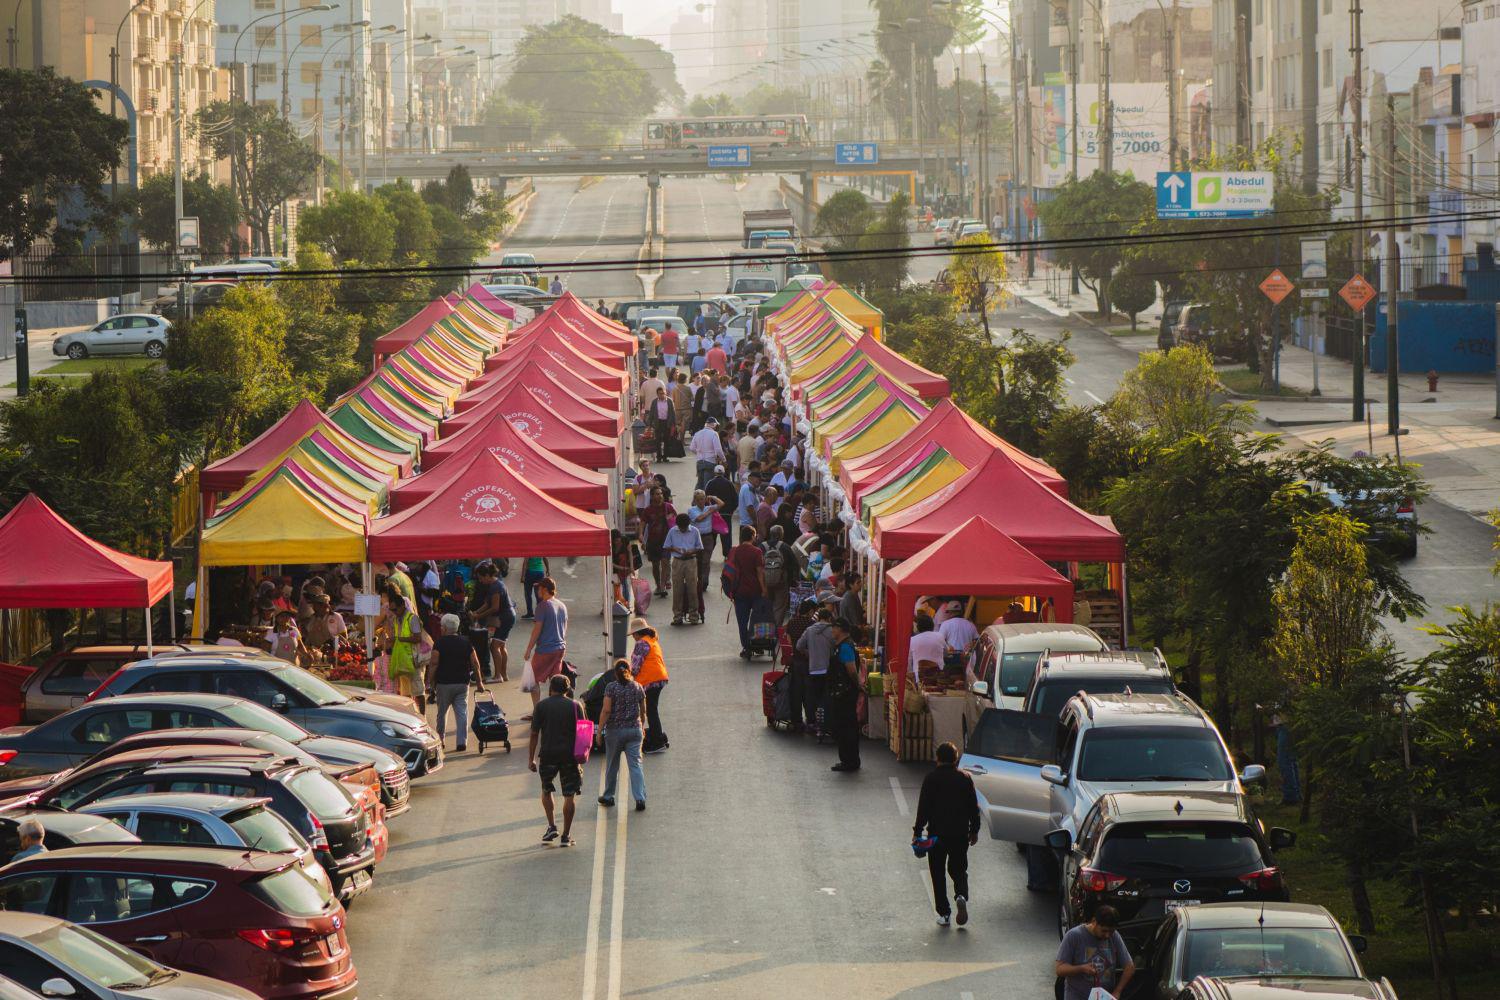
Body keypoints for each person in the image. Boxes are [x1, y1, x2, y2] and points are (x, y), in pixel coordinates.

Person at [913, 741, 981, 927]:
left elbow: (923, 809)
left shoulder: (931, 779)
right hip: (959, 834)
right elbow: (973, 808)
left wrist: (917, 832)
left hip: (936, 835)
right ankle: (961, 895)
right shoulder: (965, 778)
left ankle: (944, 914)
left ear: (937, 759)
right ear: (955, 758)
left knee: (937, 873)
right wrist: (974, 830)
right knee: (959, 869)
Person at [528, 674, 583, 847]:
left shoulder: (541, 706)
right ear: (567, 689)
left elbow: (534, 734)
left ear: (551, 688)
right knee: (569, 795)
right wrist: (581, 756)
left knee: (546, 789)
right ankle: (566, 836)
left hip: (548, 755)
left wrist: (531, 759)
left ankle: (552, 826)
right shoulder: (575, 706)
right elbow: (584, 731)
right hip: (570, 756)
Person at [426, 613, 488, 752]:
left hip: (444, 684)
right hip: (462, 683)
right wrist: (479, 683)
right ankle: (461, 742)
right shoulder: (466, 642)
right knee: (462, 713)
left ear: (444, 628)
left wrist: (431, 683)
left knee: (442, 713)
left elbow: (434, 663)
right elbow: (475, 664)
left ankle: (441, 739)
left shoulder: (439, 643)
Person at [597, 660, 648, 810]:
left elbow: (606, 710)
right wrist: (642, 726)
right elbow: (643, 711)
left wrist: (599, 731)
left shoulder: (611, 688)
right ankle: (640, 798)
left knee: (612, 764)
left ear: (615, 673)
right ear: (629, 671)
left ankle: (608, 796)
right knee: (635, 765)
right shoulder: (637, 687)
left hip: (615, 731)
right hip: (634, 730)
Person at [1056, 906, 1135, 1000]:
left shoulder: (1114, 936)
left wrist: (1117, 991)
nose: (1107, 935)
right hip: (1077, 995)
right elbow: (1060, 969)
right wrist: (1081, 968)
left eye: (1111, 931)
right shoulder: (1074, 936)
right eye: (1104, 931)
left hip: (1103, 997)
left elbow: (1129, 967)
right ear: (1094, 921)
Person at [523, 577, 569, 710]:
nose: (537, 590)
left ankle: (537, 711)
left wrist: (528, 649)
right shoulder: (562, 605)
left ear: (544, 589)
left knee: (533, 681)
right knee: (556, 682)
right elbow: (564, 628)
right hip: (560, 649)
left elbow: (537, 630)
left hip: (545, 650)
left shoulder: (542, 606)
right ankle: (556, 710)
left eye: (538, 588)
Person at [825, 618, 863, 772]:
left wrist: (858, 684)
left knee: (846, 726)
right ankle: (849, 759)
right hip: (842, 691)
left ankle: (850, 760)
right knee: (846, 726)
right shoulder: (842, 645)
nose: (832, 631)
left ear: (840, 629)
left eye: (833, 628)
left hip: (845, 693)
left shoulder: (846, 647)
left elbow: (852, 670)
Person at [628, 618, 670, 753]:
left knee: (651, 710)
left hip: (650, 680)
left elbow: (635, 667)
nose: (633, 637)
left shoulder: (641, 643)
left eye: (633, 634)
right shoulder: (652, 640)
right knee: (652, 709)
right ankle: (658, 735)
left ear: (638, 633)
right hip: (660, 677)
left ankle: (657, 742)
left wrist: (626, 676)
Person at [725, 527, 767, 657]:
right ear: (752, 536)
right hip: (755, 591)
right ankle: (758, 645)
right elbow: (760, 572)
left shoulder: (734, 551)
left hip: (739, 591)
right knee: (757, 620)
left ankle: (746, 647)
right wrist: (764, 589)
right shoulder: (757, 551)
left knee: (742, 622)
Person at [473, 562, 516, 682]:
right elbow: (487, 603)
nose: (481, 581)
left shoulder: (496, 587)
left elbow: (494, 607)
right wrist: (476, 612)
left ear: (487, 575)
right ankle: (503, 674)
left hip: (505, 617)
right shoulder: (495, 585)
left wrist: (478, 615)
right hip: (507, 616)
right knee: (501, 646)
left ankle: (498, 676)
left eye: (481, 578)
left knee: (494, 646)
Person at [663, 513, 704, 626]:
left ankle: (694, 616)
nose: (682, 529)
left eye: (684, 527)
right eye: (681, 527)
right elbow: (666, 546)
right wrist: (675, 548)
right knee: (677, 590)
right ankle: (677, 616)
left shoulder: (695, 531)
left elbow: (699, 547)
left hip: (691, 561)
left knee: (692, 589)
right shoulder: (672, 531)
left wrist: (690, 551)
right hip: (677, 561)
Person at [385, 594, 426, 706]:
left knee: (418, 692)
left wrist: (398, 639)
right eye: (391, 609)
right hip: (403, 661)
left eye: (395, 609)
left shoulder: (412, 618)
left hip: (414, 660)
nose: (394, 612)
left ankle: (423, 717)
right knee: (405, 693)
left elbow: (418, 638)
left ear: (402, 605)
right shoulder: (395, 620)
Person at [761, 524, 794, 625]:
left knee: (766, 605)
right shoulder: (785, 547)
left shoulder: (762, 546)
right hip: (781, 582)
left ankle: (766, 629)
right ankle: (775, 629)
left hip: (765, 582)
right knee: (779, 607)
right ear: (781, 535)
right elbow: (794, 565)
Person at [703, 464, 737, 559]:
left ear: (714, 473)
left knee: (712, 535)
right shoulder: (729, 483)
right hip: (726, 514)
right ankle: (727, 555)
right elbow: (735, 499)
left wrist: (708, 511)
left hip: (713, 514)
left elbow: (705, 498)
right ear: (724, 472)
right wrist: (731, 511)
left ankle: (708, 554)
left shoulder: (710, 483)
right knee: (726, 534)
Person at [909, 613, 947, 686]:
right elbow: (946, 653)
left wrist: (911, 676)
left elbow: (908, 661)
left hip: (919, 678)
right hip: (939, 678)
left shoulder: (912, 640)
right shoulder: (940, 636)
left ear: (917, 627)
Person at [690, 417, 726, 489]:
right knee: (708, 484)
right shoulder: (714, 434)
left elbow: (692, 448)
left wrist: (699, 453)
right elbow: (718, 449)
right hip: (710, 461)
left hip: (700, 462)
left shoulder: (697, 433)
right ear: (714, 425)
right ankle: (706, 499)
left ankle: (696, 498)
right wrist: (724, 459)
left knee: (700, 484)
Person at [647, 386, 677, 462]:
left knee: (667, 440)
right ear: (657, 394)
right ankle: (659, 457)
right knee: (658, 440)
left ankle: (665, 457)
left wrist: (674, 424)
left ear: (665, 393)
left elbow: (673, 413)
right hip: (658, 423)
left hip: (667, 423)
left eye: (663, 393)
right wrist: (649, 425)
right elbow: (651, 414)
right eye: (660, 394)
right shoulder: (654, 402)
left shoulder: (669, 401)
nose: (662, 395)